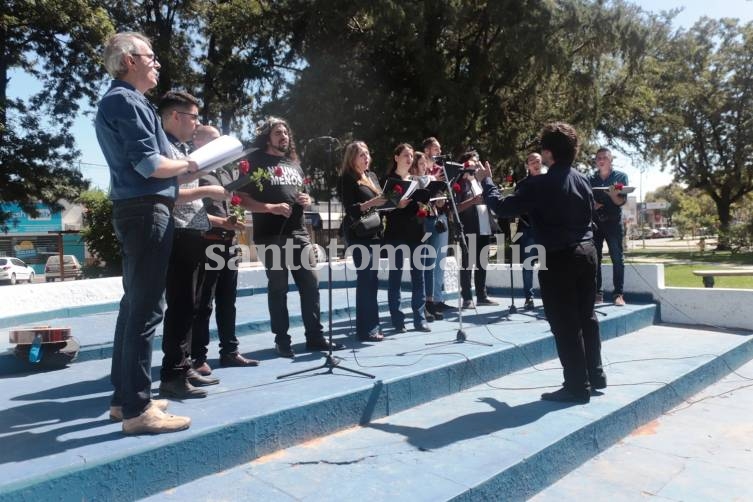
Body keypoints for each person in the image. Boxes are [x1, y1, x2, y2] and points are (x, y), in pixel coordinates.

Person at [95, 32, 196, 434]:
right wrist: (191, 165)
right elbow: (149, 164)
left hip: (140, 208)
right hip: (145, 208)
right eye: (150, 56)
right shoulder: (125, 100)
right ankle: (138, 410)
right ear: (128, 60)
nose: (157, 63)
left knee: (134, 305)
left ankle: (125, 400)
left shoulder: (128, 102)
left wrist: (186, 168)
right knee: (146, 309)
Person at [475, 122, 605, 404]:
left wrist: (487, 181)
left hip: (559, 258)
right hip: (587, 254)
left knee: (564, 323)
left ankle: (576, 387)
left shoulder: (540, 183)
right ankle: (595, 375)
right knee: (587, 317)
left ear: (548, 153)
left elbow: (502, 207)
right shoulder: (583, 180)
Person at [239, 117, 344, 358]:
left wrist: (306, 200)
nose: (283, 136)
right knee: (278, 288)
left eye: (286, 132)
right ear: (268, 136)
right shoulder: (254, 161)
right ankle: (282, 340)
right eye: (278, 132)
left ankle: (315, 337)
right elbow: (241, 197)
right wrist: (270, 207)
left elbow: (300, 193)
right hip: (270, 235)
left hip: (298, 232)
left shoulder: (294, 164)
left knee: (311, 284)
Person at [157, 92, 230, 399]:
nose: (197, 124)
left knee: (190, 305)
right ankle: (172, 374)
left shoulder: (181, 150)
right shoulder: (163, 148)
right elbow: (167, 194)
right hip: (177, 232)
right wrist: (209, 188)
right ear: (176, 116)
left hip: (193, 232)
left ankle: (184, 366)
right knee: (180, 305)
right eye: (194, 118)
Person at [191, 125, 260, 376]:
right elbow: (188, 210)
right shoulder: (192, 171)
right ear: (199, 142)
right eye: (214, 140)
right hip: (206, 242)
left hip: (228, 244)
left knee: (227, 301)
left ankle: (229, 352)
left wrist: (235, 217)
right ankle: (197, 357)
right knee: (203, 304)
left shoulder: (225, 173)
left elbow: (232, 204)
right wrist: (222, 222)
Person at [339, 141, 386, 342]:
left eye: (367, 153)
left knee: (372, 281)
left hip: (375, 233)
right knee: (365, 281)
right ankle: (365, 329)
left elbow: (380, 204)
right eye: (361, 154)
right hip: (359, 234)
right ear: (352, 158)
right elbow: (350, 209)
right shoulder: (346, 179)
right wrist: (372, 203)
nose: (366, 157)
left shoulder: (372, 176)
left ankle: (372, 325)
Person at [382, 143, 430, 332]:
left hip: (416, 233)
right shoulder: (389, 179)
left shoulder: (415, 180)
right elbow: (383, 208)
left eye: (411, 155)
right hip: (395, 234)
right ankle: (397, 319)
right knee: (395, 278)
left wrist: (424, 207)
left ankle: (419, 317)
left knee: (419, 277)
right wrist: (396, 204)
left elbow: (421, 205)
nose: (409, 158)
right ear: (396, 158)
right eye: (405, 155)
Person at [455, 151, 499, 309]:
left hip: (484, 227)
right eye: (472, 162)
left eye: (476, 162)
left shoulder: (481, 182)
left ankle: (482, 295)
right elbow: (455, 209)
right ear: (465, 165)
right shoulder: (459, 184)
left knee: (482, 263)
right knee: (467, 264)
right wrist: (472, 201)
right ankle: (467, 298)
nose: (475, 165)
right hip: (468, 228)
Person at [590, 148, 628, 306]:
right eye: (598, 158)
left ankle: (618, 294)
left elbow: (621, 202)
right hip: (596, 223)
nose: (601, 160)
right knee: (595, 259)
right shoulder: (590, 178)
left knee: (617, 259)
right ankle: (597, 293)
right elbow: (586, 200)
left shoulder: (620, 177)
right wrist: (593, 205)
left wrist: (613, 196)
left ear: (611, 159)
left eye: (604, 157)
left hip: (613, 223)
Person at [421, 138, 453, 315]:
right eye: (435, 148)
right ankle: (428, 299)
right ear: (426, 150)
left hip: (441, 217)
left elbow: (446, 192)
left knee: (440, 259)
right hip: (426, 219)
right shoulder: (422, 168)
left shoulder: (442, 170)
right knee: (429, 261)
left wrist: (443, 200)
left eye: (440, 148)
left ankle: (439, 299)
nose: (438, 151)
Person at [518, 153, 544, 310]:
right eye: (532, 161)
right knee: (528, 265)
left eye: (538, 161)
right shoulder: (521, 185)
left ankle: (550, 296)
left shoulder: (549, 181)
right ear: (527, 165)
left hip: (547, 230)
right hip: (528, 229)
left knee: (549, 264)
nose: (536, 163)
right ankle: (529, 297)